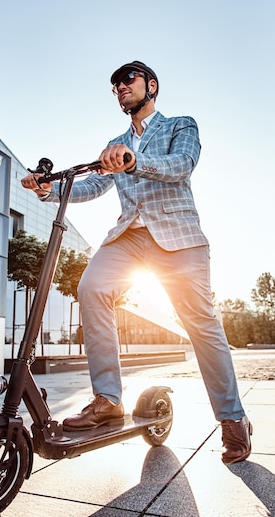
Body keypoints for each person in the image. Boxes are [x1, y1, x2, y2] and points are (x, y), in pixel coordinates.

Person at [21, 60, 252, 464]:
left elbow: (182, 165)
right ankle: (108, 399)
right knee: (91, 288)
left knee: (201, 323)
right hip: (129, 238)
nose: (120, 87)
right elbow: (95, 185)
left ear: (152, 85)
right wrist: (49, 188)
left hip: (179, 240)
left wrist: (134, 161)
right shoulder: (115, 142)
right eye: (115, 85)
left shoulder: (181, 124)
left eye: (128, 79)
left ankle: (233, 419)